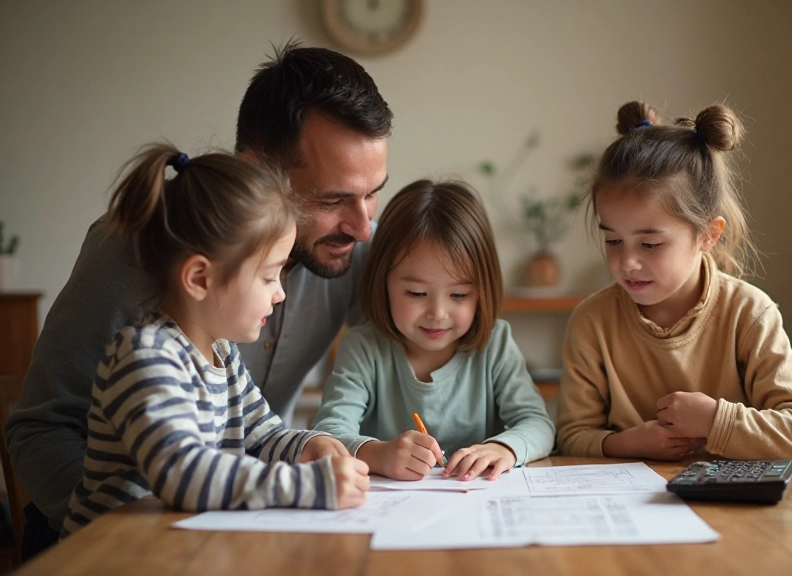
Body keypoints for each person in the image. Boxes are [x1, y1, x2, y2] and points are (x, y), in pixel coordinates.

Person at [4, 42, 391, 555]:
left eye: (373, 193)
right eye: (332, 200)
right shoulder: (138, 262)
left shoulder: (229, 349)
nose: (363, 228)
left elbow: (263, 431)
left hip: (230, 521)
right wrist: (132, 531)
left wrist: (321, 449)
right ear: (256, 171)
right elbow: (45, 431)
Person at [61, 145, 370, 536]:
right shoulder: (145, 358)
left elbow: (263, 436)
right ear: (200, 279)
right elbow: (182, 473)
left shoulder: (222, 354)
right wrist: (309, 486)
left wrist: (308, 445)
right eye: (268, 276)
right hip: (114, 555)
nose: (280, 294)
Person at [556, 101, 792, 463]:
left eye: (650, 244)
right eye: (613, 240)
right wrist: (629, 443)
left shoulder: (750, 313)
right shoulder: (592, 321)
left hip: (735, 515)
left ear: (707, 236)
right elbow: (573, 435)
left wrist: (716, 421)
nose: (627, 262)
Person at [312, 180, 554, 481]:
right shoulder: (364, 347)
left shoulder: (495, 343)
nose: (438, 314)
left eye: (459, 296)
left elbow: (538, 423)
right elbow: (328, 433)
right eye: (415, 293)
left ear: (482, 290)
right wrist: (379, 454)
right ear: (382, 282)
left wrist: (503, 448)